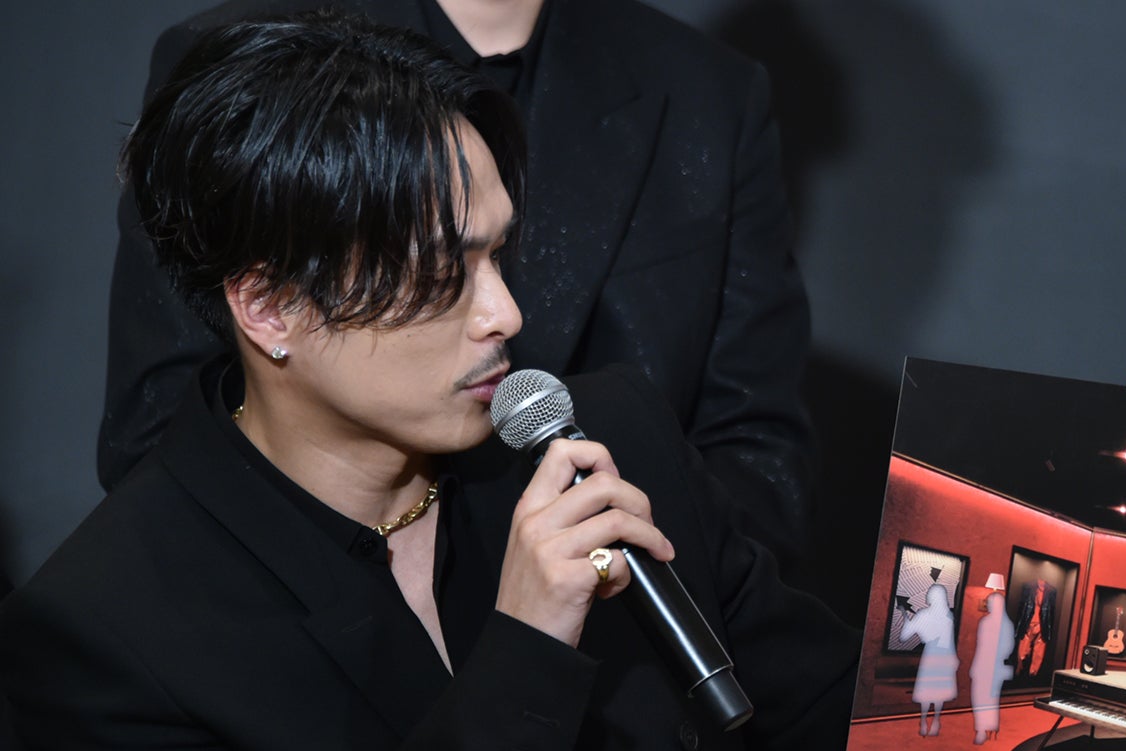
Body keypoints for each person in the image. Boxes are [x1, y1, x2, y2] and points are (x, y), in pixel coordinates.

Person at [4, 13, 855, 751]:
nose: (504, 313)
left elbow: (843, 718)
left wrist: (1036, 563)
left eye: (499, 254)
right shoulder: (110, 624)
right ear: (269, 307)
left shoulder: (600, 441)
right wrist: (528, 646)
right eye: (445, 274)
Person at [101, 0, 817, 567]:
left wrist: (590, 593)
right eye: (441, 269)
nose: (506, 315)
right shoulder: (243, 60)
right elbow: (163, 430)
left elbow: (758, 458)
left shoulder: (706, 92)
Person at [901, 584, 957, 738]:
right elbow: (948, 642)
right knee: (938, 690)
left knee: (927, 689)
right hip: (943, 655)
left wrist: (906, 618)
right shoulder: (947, 616)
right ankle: (935, 721)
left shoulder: (924, 614)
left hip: (932, 654)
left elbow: (905, 636)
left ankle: (924, 720)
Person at [969, 591, 1015, 745]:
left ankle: (987, 729)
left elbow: (1007, 647)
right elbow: (980, 646)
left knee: (988, 699)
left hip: (993, 666)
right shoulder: (988, 622)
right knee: (981, 698)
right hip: (983, 664)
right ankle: (983, 729)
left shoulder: (1004, 625)